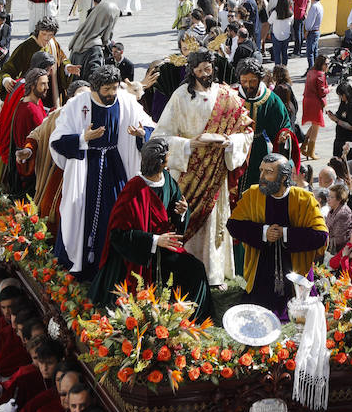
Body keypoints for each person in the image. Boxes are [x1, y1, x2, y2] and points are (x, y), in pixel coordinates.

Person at [155, 50, 254, 287]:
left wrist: (231, 143)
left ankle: (214, 274)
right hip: (189, 170)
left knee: (213, 223)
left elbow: (246, 132)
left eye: (207, 69)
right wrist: (189, 144)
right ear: (191, 70)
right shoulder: (180, 96)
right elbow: (161, 136)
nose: (204, 74)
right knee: (186, 219)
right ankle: (183, 272)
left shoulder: (227, 96)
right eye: (199, 70)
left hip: (216, 170)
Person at [90, 136, 213, 319]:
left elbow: (174, 211)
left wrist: (181, 212)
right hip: (138, 256)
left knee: (196, 269)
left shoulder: (167, 180)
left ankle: (193, 317)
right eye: (168, 156)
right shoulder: (133, 190)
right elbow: (118, 235)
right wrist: (154, 241)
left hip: (163, 248)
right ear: (162, 161)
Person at [51, 65, 155, 278]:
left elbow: (150, 126)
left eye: (114, 88)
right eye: (106, 89)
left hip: (115, 168)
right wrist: (82, 139)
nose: (111, 94)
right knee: (81, 212)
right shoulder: (76, 105)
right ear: (95, 88)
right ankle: (84, 265)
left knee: (115, 214)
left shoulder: (126, 101)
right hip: (86, 168)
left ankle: (111, 267)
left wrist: (141, 133)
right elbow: (58, 141)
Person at [227, 154, 327, 316]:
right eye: (261, 171)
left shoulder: (304, 199)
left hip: (296, 275)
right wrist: (263, 232)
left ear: (283, 177)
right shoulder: (253, 195)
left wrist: (285, 233)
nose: (262, 177)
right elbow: (233, 225)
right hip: (261, 274)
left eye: (268, 172)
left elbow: (321, 236)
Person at [237, 57, 293, 192]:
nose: (248, 85)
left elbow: (283, 123)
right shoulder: (232, 95)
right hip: (236, 149)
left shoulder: (270, 99)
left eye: (252, 81)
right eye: (244, 81)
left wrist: (283, 135)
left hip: (259, 149)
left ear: (260, 79)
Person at [301, 55, 329, 161]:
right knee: (316, 127)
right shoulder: (320, 75)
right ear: (321, 64)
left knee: (313, 125)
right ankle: (310, 151)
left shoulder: (311, 72)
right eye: (326, 64)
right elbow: (322, 92)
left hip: (307, 100)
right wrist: (329, 89)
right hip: (315, 103)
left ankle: (304, 146)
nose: (327, 66)